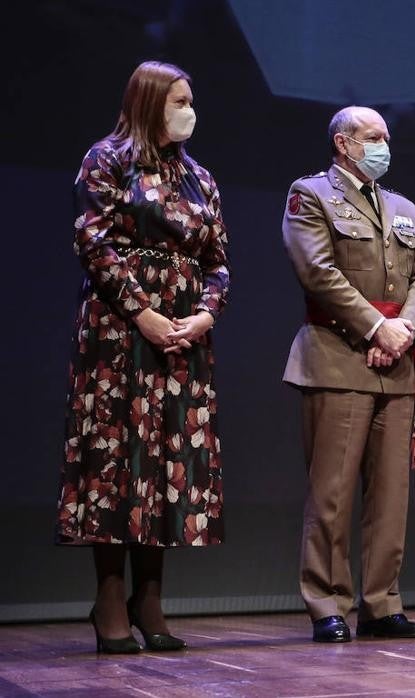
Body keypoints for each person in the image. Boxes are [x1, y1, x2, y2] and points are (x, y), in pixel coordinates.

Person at [57, 61, 230, 653]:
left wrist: (205, 313)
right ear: (151, 102)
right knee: (118, 457)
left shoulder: (198, 177)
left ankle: (149, 596)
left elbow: (218, 260)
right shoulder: (106, 160)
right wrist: (143, 313)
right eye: (180, 100)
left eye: (191, 100)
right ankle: (109, 594)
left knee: (165, 459)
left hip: (184, 334)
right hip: (120, 331)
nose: (189, 110)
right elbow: (94, 243)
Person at [282, 105, 415, 643]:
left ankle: (381, 603)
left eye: (387, 137)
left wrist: (405, 331)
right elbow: (317, 272)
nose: (384, 145)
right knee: (333, 493)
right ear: (345, 144)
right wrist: (376, 329)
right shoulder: (311, 195)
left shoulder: (403, 207)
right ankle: (327, 602)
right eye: (374, 137)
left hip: (395, 366)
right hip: (336, 359)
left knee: (390, 497)